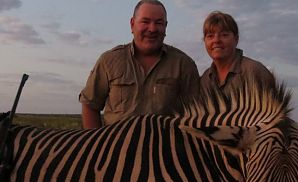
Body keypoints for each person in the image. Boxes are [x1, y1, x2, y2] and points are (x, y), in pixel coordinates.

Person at [79, 0, 200, 128]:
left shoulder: (184, 64)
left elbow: (195, 114)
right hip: (117, 146)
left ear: (165, 26)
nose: (152, 29)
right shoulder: (109, 61)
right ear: (132, 24)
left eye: (159, 23)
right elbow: (90, 105)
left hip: (165, 147)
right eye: (145, 22)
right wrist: (98, 144)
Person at [200, 11, 275, 97]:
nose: (216, 40)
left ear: (236, 39)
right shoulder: (205, 80)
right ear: (204, 41)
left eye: (224, 35)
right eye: (210, 36)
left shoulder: (255, 72)